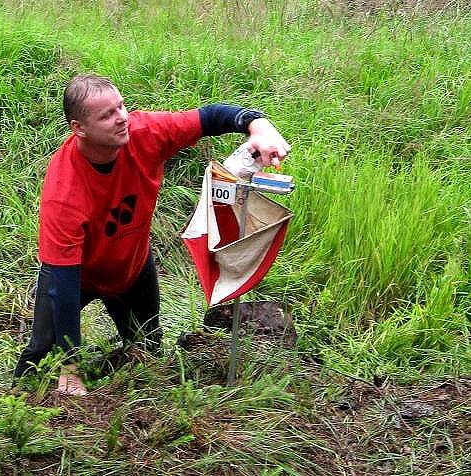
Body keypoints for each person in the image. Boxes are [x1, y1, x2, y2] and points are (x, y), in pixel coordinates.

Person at [14, 74, 290, 395]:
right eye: (107, 115)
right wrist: (70, 367)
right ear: (79, 128)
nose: (122, 119)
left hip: (131, 268)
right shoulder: (64, 191)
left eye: (121, 107)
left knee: (147, 348)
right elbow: (62, 285)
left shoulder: (144, 133)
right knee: (40, 352)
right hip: (76, 276)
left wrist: (258, 126)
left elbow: (209, 117)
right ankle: (14, 408)